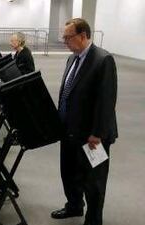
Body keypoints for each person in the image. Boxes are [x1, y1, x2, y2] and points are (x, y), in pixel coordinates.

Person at [51, 18, 118, 225]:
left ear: (83, 36)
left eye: (67, 37)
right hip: (69, 131)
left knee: (94, 181)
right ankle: (74, 206)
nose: (64, 41)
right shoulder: (72, 59)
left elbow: (106, 102)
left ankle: (93, 220)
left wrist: (97, 134)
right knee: (69, 173)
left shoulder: (103, 60)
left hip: (92, 136)